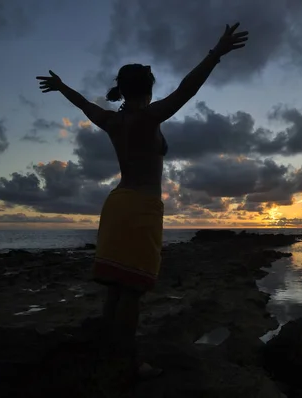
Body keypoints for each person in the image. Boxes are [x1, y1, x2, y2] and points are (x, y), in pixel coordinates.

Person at [36, 23, 248, 379]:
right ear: (147, 91)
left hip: (117, 205)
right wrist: (216, 53)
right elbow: (187, 89)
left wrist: (60, 87)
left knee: (116, 290)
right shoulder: (149, 117)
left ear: (122, 90)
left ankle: (110, 353)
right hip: (140, 208)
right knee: (132, 291)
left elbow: (85, 103)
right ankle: (128, 364)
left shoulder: (110, 120)